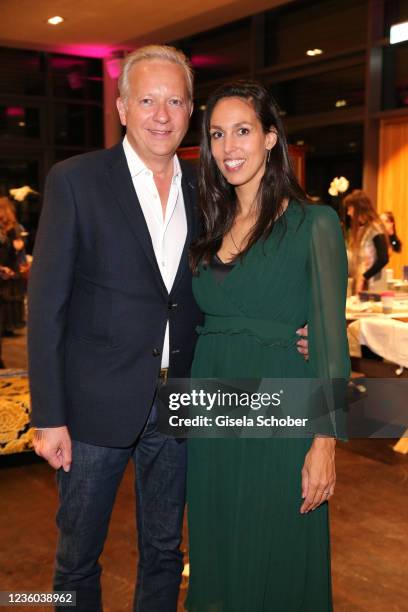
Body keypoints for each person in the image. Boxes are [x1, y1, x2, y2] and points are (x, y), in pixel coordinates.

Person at [28, 46, 309, 611]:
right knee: (77, 557)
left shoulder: (207, 189)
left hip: (181, 402)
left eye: (176, 101)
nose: (162, 114)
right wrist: (48, 415)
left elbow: (236, 275)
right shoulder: (76, 181)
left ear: (189, 113)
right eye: (149, 100)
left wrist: (292, 326)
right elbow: (47, 305)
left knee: (164, 551)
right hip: (90, 408)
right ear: (123, 107)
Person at [187, 82, 350, 611]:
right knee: (219, 544)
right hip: (213, 416)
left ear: (271, 138)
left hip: (281, 414)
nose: (229, 147)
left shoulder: (314, 223)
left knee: (275, 550)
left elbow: (329, 341)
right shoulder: (210, 226)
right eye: (217, 134)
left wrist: (325, 442)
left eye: (243, 131)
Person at [344, 189, 389, 293]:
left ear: (358, 208)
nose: (349, 213)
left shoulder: (375, 228)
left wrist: (364, 277)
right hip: (362, 283)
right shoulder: (362, 229)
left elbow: (383, 258)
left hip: (374, 285)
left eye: (350, 208)